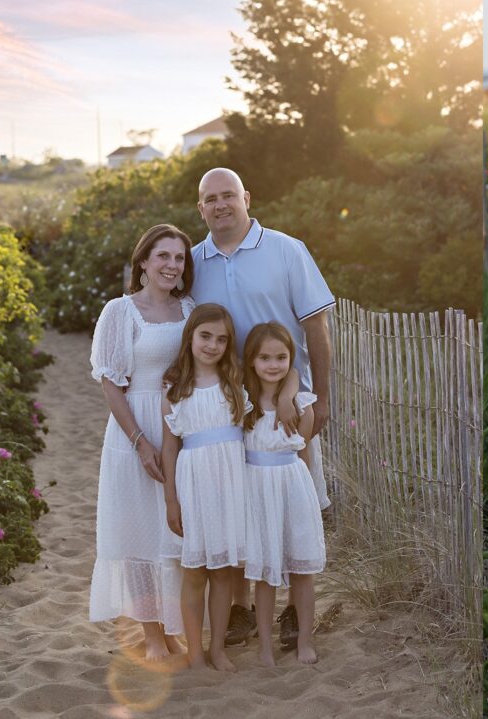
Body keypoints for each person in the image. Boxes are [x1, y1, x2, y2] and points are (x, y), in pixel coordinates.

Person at [189, 167, 334, 648]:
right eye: (211, 199)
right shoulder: (194, 263)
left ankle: (296, 609)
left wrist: (322, 396)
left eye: (228, 195)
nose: (220, 205)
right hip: (229, 406)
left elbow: (316, 330)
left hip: (290, 400)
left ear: (247, 197)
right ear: (201, 208)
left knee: (297, 502)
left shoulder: (287, 250)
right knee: (242, 504)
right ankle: (242, 610)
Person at [88, 223, 194, 661]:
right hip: (134, 430)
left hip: (181, 428)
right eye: (163, 256)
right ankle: (152, 637)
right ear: (144, 262)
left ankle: (173, 632)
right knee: (137, 533)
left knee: (172, 535)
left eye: (179, 258)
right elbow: (112, 384)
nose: (171, 265)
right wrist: (139, 441)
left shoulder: (191, 310)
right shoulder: (121, 311)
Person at [160, 304, 250, 672]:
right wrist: (171, 500)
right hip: (194, 483)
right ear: (190, 337)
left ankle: (218, 649)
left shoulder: (237, 383)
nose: (212, 345)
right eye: (205, 336)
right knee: (195, 571)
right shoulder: (175, 388)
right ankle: (195, 651)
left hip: (231, 483)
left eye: (221, 339)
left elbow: (286, 373)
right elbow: (169, 447)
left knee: (225, 571)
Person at [242, 323, 326, 666]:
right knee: (264, 574)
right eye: (264, 358)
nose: (273, 364)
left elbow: (303, 455)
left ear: (291, 360)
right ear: (252, 361)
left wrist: (288, 396)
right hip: (257, 493)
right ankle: (265, 646)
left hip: (293, 490)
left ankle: (305, 640)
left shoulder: (301, 406)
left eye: (281, 357)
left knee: (302, 570)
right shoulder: (243, 403)